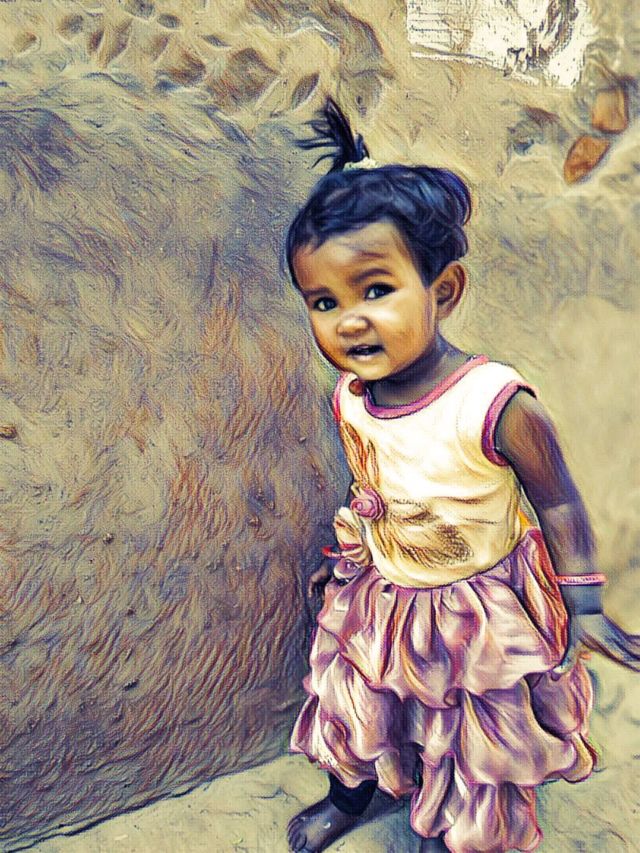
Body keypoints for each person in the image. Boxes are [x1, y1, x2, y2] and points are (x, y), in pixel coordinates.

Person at [285, 98, 640, 853]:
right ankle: (351, 796)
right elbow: (377, 474)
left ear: (443, 291)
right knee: (357, 705)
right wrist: (357, 547)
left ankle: (464, 834)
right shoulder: (350, 394)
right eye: (324, 301)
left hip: (476, 611)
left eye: (375, 290)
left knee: (473, 739)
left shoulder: (494, 403)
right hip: (383, 596)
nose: (349, 320)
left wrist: (584, 604)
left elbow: (559, 503)